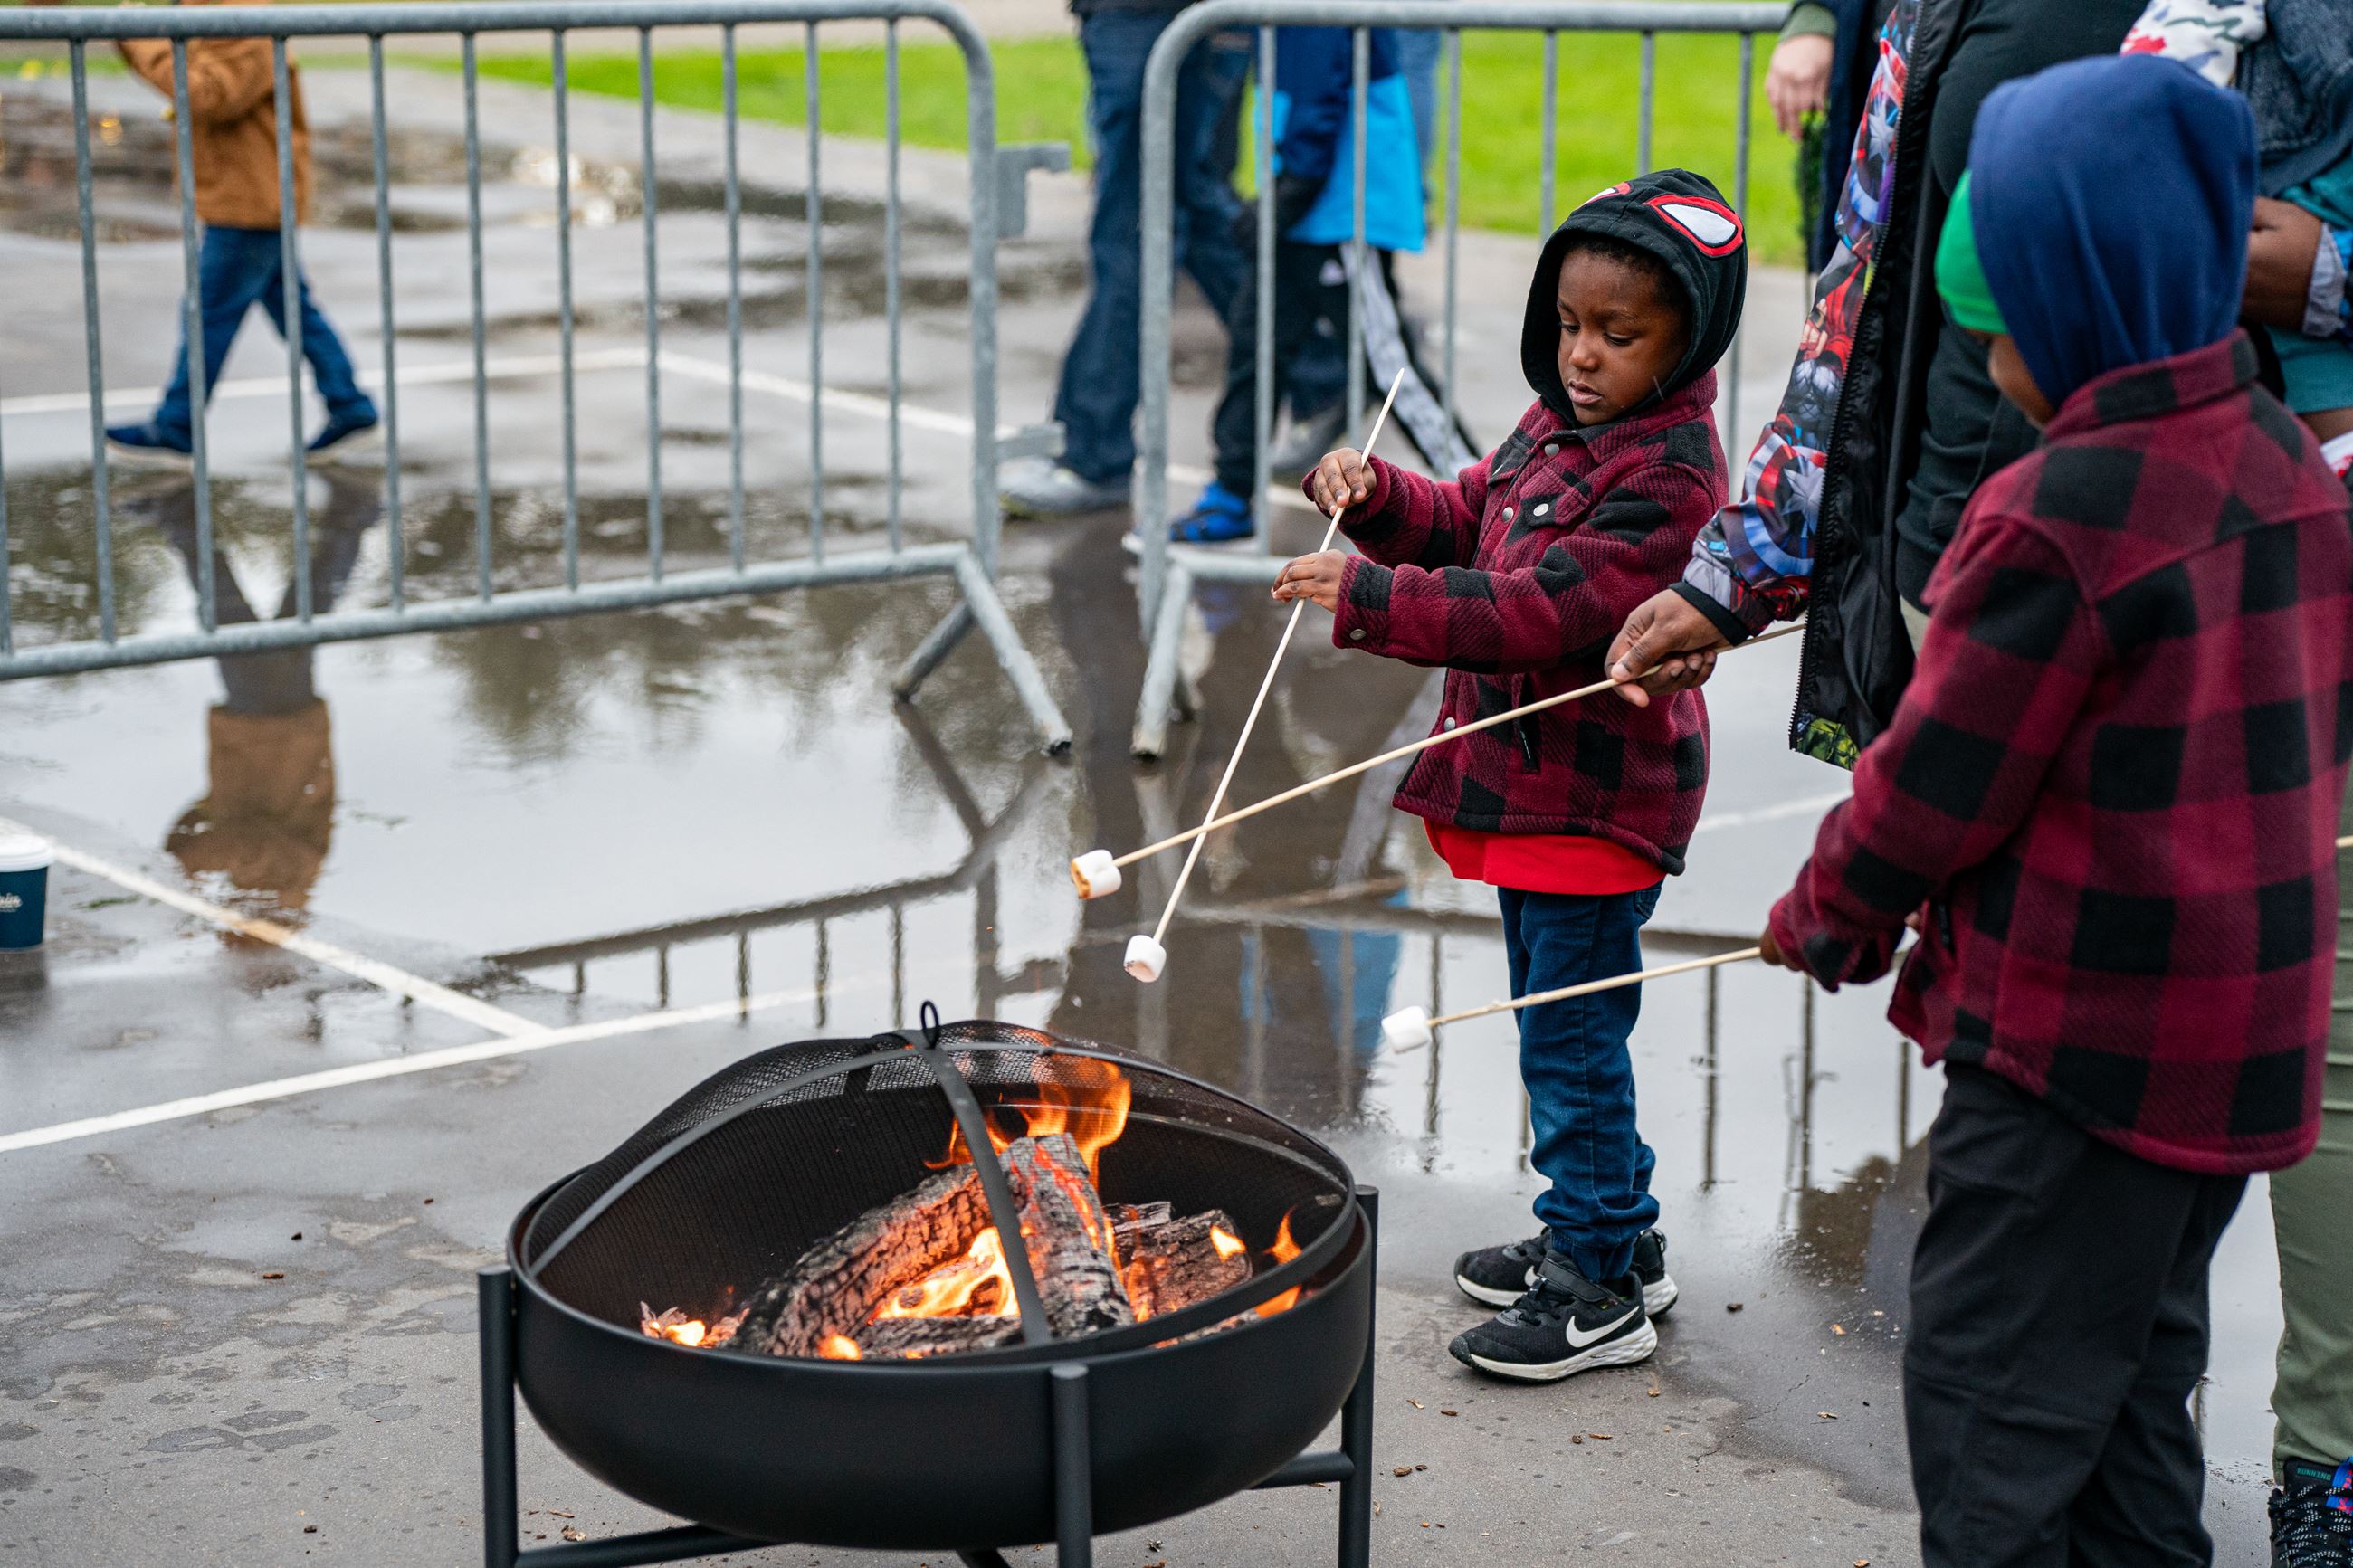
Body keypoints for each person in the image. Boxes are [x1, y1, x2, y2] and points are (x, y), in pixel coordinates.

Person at [1759, 57, 2351, 1566]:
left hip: (2077, 1058)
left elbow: (1936, 776)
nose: (1997, 367)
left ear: (2085, 300)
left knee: (1996, 1410)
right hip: (2232, 1057)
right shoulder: (2290, 464)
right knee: (2138, 1389)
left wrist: (1831, 912)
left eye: (2005, 332)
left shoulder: (2060, 508)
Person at [1271, 171, 1748, 1381]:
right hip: (1532, 789)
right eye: (1569, 327)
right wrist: (1381, 505)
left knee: (1570, 1039)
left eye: (1618, 336)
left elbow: (1543, 609)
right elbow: (1473, 519)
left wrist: (1375, 600)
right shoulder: (1558, 424)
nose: (1582, 356)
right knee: (1563, 1026)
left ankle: (1595, 1286)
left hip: (1595, 799)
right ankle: (1617, 1239)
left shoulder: (1671, 473)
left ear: (1688, 340)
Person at [1601, 0, 2352, 755]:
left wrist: (2336, 274)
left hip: (2261, 614)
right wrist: (1738, 576)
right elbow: (1859, 289)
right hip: (1960, 576)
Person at [1167, 24, 1474, 544]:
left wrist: (1290, 192)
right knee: (1255, 349)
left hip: (1339, 209)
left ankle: (1490, 497)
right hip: (1300, 202)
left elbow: (1318, 89)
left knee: (1388, 363)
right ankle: (1231, 493)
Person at [998, 0, 1252, 518]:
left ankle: (1095, 451)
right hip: (1167, 18)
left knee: (1136, 227)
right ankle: (1322, 370)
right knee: (1192, 207)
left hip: (1148, 17)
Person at [106, 0, 378, 461]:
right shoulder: (212, 14)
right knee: (294, 309)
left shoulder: (245, 19)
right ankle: (348, 403)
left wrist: (139, 36)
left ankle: (177, 422)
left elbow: (206, 96)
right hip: (245, 194)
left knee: (207, 313)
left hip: (250, 202)